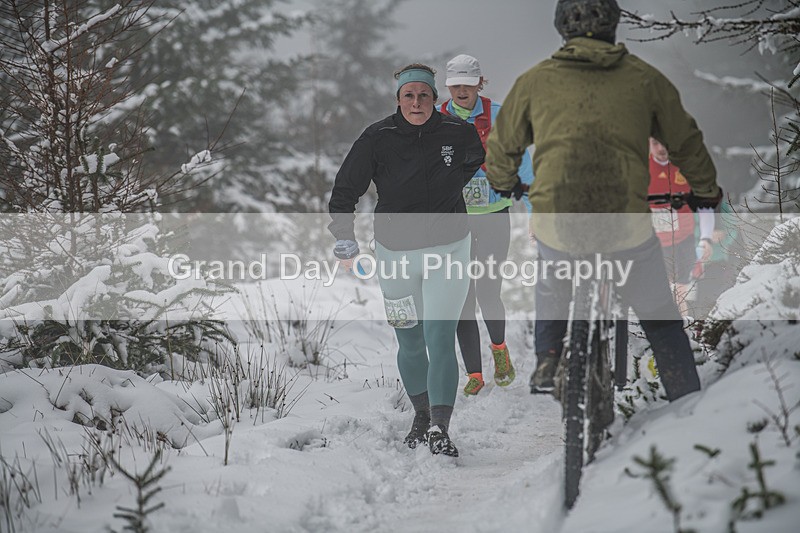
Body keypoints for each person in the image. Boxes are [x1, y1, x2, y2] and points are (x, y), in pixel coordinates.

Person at [485, 0, 722, 402]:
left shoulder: (534, 81)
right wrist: (705, 190)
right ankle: (687, 399)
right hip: (624, 220)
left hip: (558, 216)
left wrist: (506, 183)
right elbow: (685, 140)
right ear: (614, 25)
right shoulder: (645, 79)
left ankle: (547, 357)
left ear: (562, 28)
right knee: (658, 314)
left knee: (552, 273)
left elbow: (502, 145)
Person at [328, 64, 485, 456]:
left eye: (424, 95)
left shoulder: (458, 133)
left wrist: (446, 194)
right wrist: (344, 238)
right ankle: (421, 413)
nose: (417, 102)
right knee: (410, 341)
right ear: (398, 99)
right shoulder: (377, 138)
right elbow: (346, 189)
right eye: (409, 96)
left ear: (436, 97)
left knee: (440, 338)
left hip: (449, 249)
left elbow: (472, 161)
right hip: (395, 254)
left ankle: (440, 427)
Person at [439, 54, 535, 395]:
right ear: (447, 87)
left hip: (494, 215)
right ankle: (474, 374)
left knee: (487, 290)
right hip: (455, 218)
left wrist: (535, 212)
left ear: (480, 82)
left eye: (468, 84)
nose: (461, 91)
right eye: (455, 85)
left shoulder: (500, 116)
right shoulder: (437, 119)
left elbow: (525, 166)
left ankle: (499, 351)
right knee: (461, 296)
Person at [648, 137, 714, 316]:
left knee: (680, 290)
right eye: (655, 143)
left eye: (664, 142)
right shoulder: (642, 169)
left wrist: (706, 238)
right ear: (648, 143)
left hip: (684, 239)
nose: (661, 148)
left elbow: (704, 205)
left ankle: (683, 327)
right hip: (654, 242)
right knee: (657, 290)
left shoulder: (686, 169)